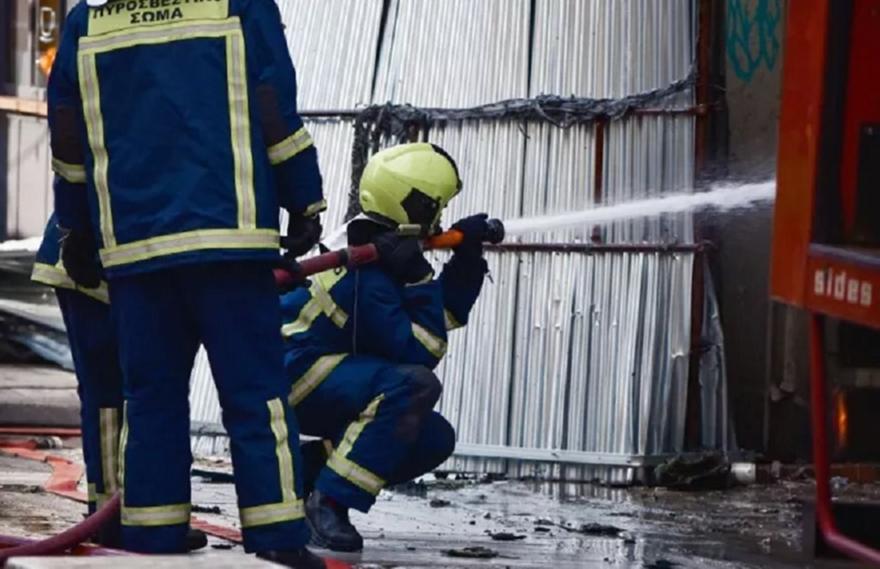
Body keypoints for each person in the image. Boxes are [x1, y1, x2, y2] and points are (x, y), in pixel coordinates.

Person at [49, 1, 326, 566]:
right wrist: (304, 198)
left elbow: (68, 133)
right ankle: (277, 539)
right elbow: (273, 102)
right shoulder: (237, 3)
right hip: (230, 240)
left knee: (150, 400)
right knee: (256, 396)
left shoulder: (89, 19)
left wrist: (76, 225)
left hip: (136, 249)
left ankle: (153, 537)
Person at [280, 143, 490, 551]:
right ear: (414, 205)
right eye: (435, 208)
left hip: (321, 371)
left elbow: (440, 316)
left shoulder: (380, 245)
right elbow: (420, 351)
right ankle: (328, 505)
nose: (439, 220)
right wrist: (417, 278)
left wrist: (466, 260)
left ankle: (303, 477)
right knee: (414, 385)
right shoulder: (365, 269)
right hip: (292, 375)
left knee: (431, 436)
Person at [30, 215, 208, 551]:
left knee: (119, 395)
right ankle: (116, 517)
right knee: (111, 395)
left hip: (105, 257)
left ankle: (123, 515)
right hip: (96, 265)